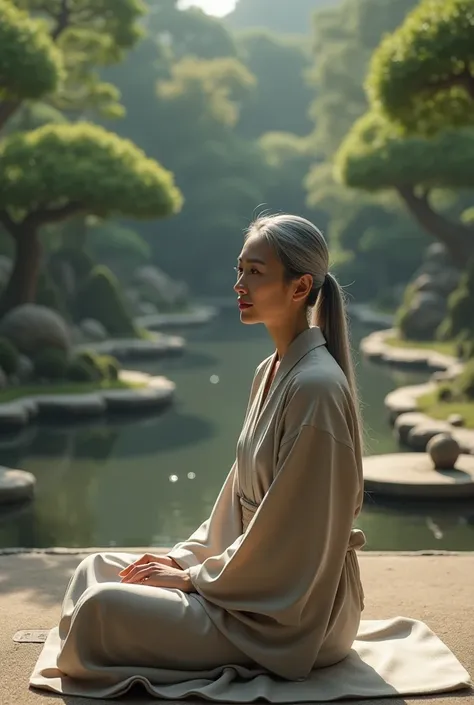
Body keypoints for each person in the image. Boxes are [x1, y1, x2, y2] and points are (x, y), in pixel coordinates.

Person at [30, 214, 470, 701]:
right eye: (240, 270)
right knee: (93, 569)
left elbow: (292, 538)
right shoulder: (272, 370)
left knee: (100, 610)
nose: (239, 284)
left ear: (300, 285)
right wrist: (182, 560)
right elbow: (235, 503)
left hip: (292, 614)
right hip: (246, 585)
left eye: (255, 272)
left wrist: (194, 580)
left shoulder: (316, 388)